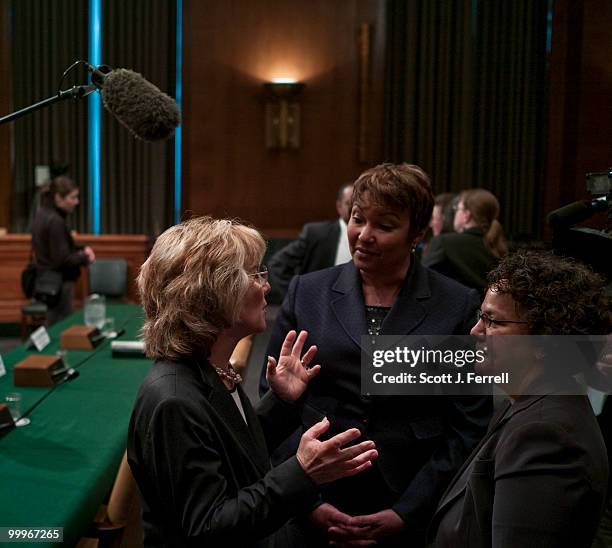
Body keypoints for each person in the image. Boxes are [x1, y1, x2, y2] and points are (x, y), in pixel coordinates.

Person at [261, 164, 492, 546]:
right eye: (357, 220)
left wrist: (408, 513)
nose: (364, 236)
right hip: (313, 494)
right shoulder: (307, 292)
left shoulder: (457, 304)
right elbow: (274, 405)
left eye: (384, 226)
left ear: (417, 233)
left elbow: (468, 423)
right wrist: (304, 500)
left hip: (409, 496)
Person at [127, 216, 378, 548]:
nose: (267, 286)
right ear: (214, 293)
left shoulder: (208, 368)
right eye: (255, 274)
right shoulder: (175, 400)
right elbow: (208, 529)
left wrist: (281, 402)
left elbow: (230, 450)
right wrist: (302, 472)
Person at [430, 250, 611, 547]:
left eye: (493, 322)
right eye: (480, 317)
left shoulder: (545, 435)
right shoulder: (524, 403)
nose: (475, 331)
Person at [268, 182, 353, 301]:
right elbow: (277, 264)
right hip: (319, 305)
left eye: (357, 204)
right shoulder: (316, 233)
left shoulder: (369, 236)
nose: (353, 208)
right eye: (349, 203)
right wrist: (296, 298)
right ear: (339, 206)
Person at [31, 176, 95, 324]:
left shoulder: (42, 213)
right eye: (72, 197)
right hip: (58, 286)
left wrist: (81, 248)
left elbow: (59, 247)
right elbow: (62, 260)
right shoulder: (55, 221)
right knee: (60, 327)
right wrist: (85, 257)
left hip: (47, 282)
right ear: (58, 198)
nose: (76, 202)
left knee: (53, 326)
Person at [423, 188, 507, 296]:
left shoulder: (444, 242)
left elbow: (422, 281)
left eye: (457, 209)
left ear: (467, 216)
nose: (455, 214)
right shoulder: (497, 246)